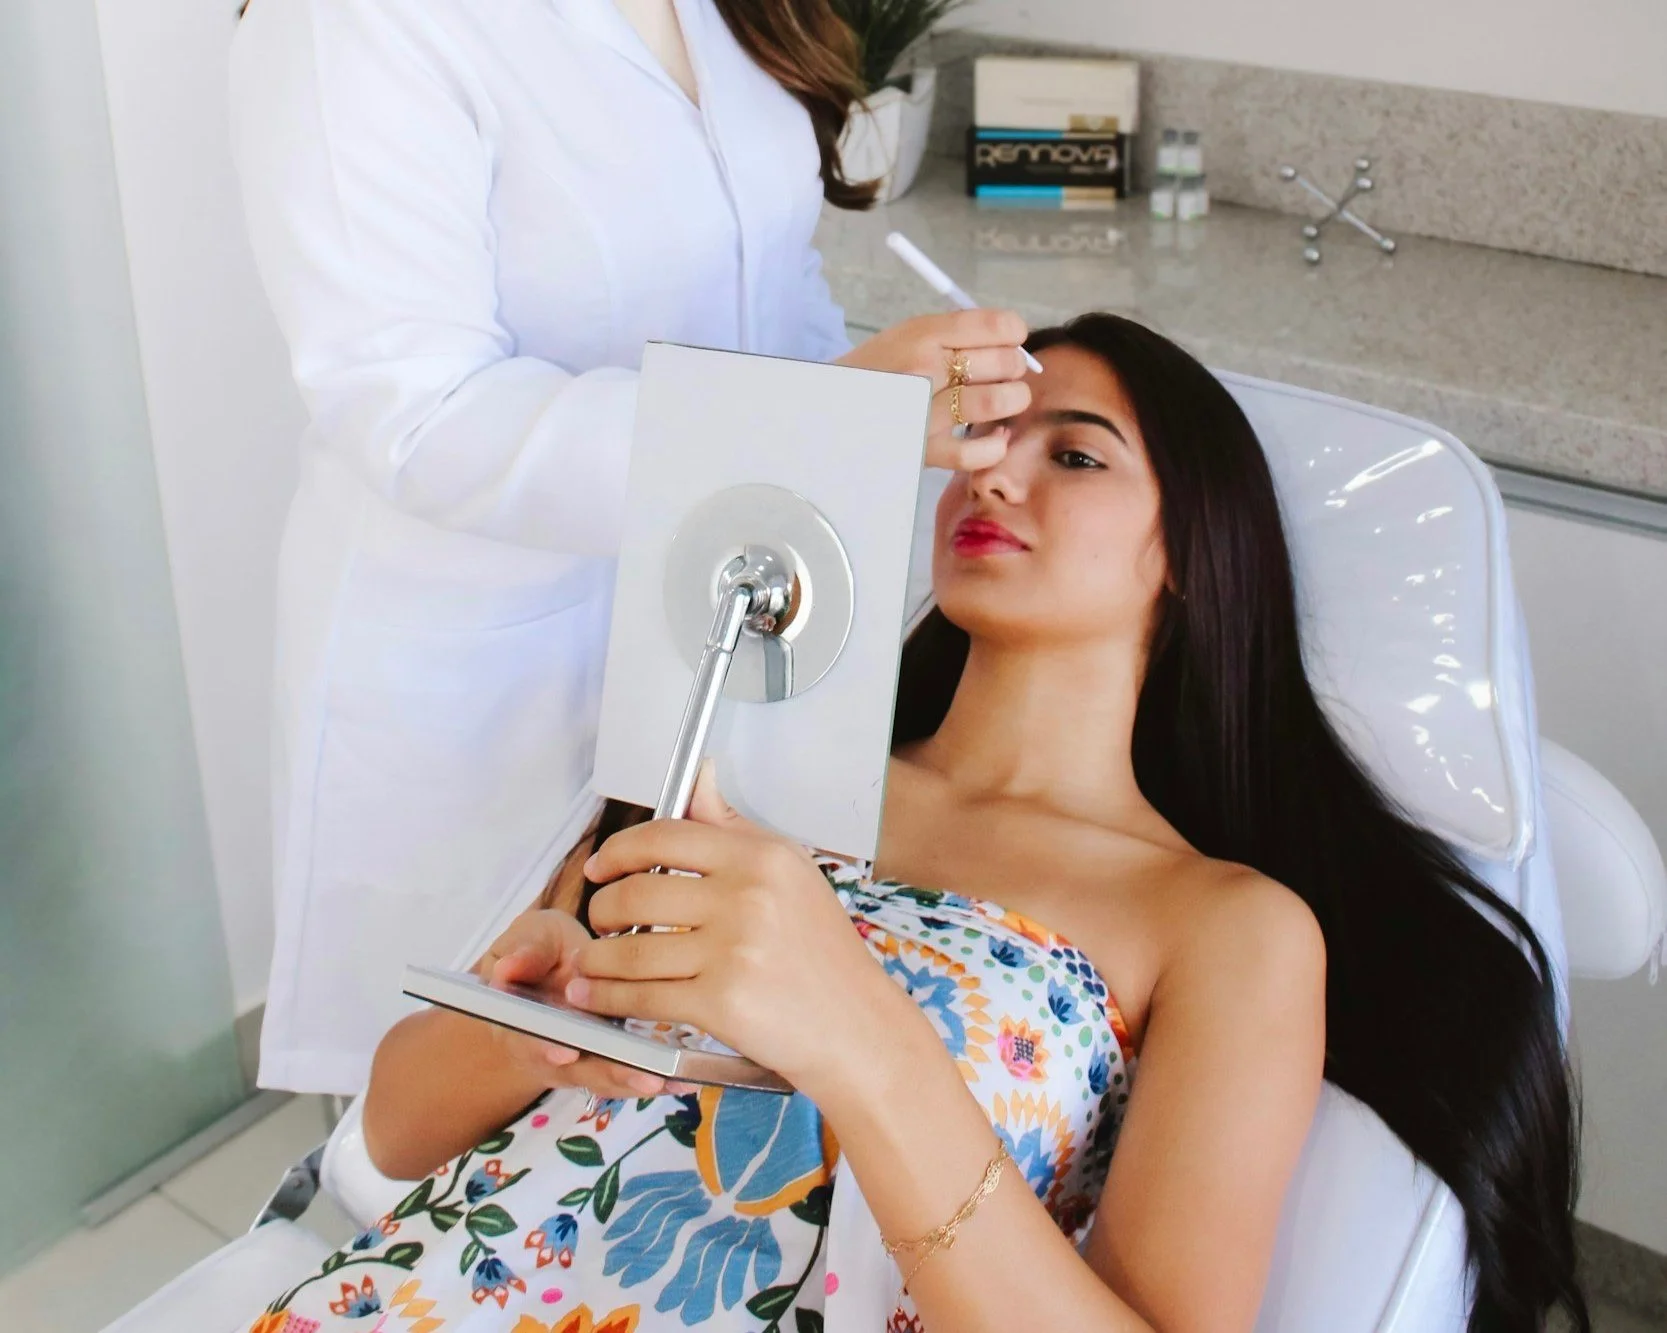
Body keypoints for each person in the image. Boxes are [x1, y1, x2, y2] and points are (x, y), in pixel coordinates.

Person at [242, 315, 1587, 1333]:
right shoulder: (738, 762)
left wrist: (857, 1035)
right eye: (979, 447)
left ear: (1190, 552)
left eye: (1072, 454)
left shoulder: (1222, 926)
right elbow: (392, 1139)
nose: (991, 480)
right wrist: (519, 1029)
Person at [228, 0, 1033, 1093]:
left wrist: (878, 412)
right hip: (483, 681)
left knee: (662, 1069)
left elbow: (768, 277)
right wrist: (824, 417)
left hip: (716, 620)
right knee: (453, 1092)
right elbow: (418, 415)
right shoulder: (354, 25)